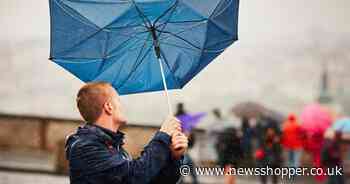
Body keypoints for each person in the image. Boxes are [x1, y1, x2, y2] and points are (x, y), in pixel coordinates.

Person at [65, 82, 188, 184]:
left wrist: (173, 157)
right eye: (118, 100)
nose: (122, 106)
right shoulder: (85, 147)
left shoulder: (113, 146)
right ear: (108, 107)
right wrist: (163, 135)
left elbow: (152, 180)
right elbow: (135, 177)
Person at [175, 102, 199, 184]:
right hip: (183, 146)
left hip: (179, 146)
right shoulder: (186, 118)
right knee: (186, 165)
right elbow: (189, 131)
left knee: (185, 165)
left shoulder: (175, 117)